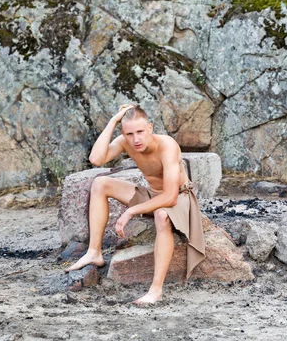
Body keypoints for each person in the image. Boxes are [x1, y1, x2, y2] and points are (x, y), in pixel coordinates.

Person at [65, 104, 206, 305]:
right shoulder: (126, 141)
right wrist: (114, 121)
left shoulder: (167, 145)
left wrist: (131, 211)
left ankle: (156, 290)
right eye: (129, 134)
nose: (135, 139)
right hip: (152, 195)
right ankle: (94, 252)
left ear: (150, 127)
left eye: (140, 132)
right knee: (100, 183)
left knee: (162, 215)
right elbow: (96, 159)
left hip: (180, 197)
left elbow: (170, 197)